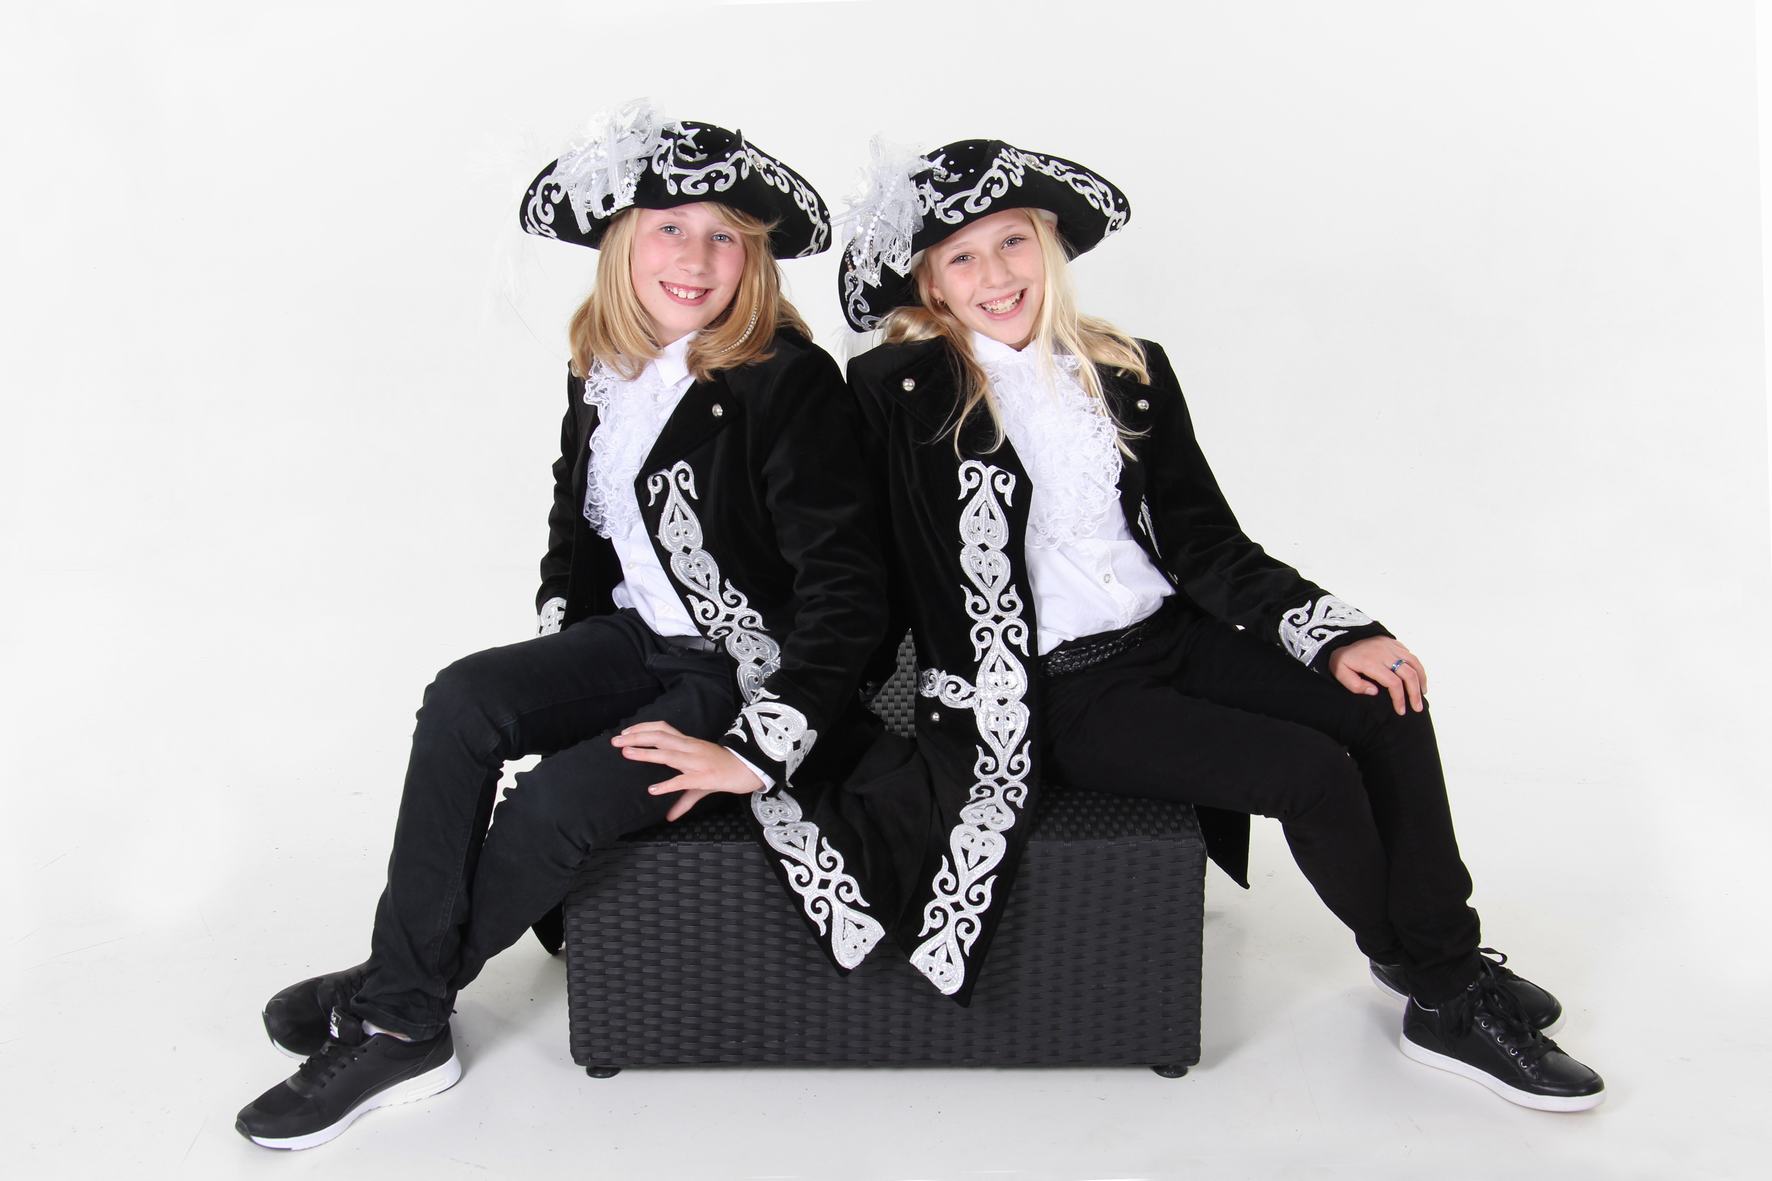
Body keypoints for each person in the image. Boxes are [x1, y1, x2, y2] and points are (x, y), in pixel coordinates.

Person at [834, 137, 1605, 1111]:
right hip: (1051, 692)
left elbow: (1203, 541)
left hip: (1169, 638)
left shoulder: (1124, 367)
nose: (995, 274)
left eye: (1011, 241)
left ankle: (1439, 956)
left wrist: (1335, 632)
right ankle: (1444, 990)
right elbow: (849, 561)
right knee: (1307, 771)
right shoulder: (895, 393)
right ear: (931, 284)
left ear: (1048, 244)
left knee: (1387, 700)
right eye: (961, 257)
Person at [235, 106, 892, 1149]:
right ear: (622, 242)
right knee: (464, 698)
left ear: (754, 259)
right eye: (668, 228)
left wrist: (755, 749)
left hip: (747, 671)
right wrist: (560, 651)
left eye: (724, 234)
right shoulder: (603, 365)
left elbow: (849, 589)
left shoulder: (786, 378)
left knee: (557, 802)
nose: (695, 257)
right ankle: (398, 983)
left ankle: (398, 1011)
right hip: (636, 642)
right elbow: (572, 525)